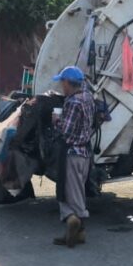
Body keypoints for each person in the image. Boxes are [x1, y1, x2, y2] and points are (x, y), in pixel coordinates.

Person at [51, 66, 94, 248]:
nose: (61, 86)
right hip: (85, 153)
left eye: (62, 82)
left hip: (72, 153)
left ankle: (73, 220)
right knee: (77, 191)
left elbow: (66, 132)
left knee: (71, 193)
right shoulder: (88, 97)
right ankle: (80, 233)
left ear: (68, 83)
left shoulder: (73, 102)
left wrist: (56, 120)